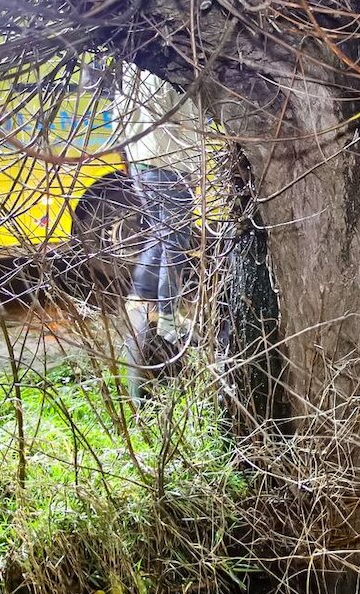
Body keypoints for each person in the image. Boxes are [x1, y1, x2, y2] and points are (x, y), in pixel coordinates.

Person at [111, 64, 205, 399]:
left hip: (141, 164)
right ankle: (168, 316)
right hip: (170, 164)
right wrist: (195, 167)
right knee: (175, 242)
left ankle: (140, 296)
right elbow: (193, 121)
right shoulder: (171, 71)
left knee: (160, 234)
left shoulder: (132, 71)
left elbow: (117, 118)